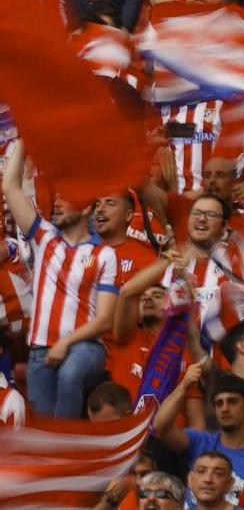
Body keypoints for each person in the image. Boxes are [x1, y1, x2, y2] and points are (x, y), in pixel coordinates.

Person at [3, 141, 114, 417]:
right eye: (57, 198)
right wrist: (26, 140)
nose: (57, 202)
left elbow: (104, 319)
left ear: (87, 207)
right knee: (45, 427)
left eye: (66, 198)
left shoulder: (104, 254)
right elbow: (10, 188)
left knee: (70, 374)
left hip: (84, 348)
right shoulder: (45, 239)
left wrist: (65, 343)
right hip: (40, 351)